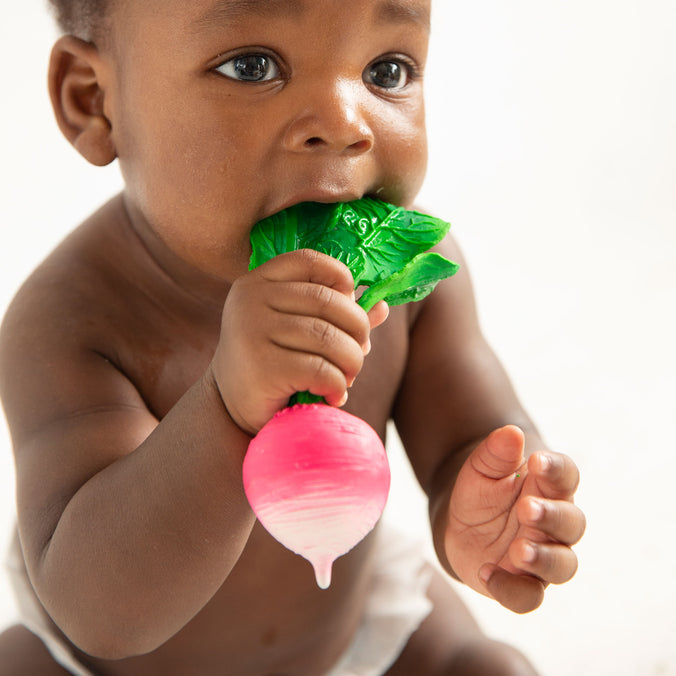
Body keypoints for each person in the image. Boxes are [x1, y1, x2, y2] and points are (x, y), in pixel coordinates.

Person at [0, 1, 586, 674]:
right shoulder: (74, 321)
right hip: (106, 667)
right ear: (95, 100)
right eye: (252, 67)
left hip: (352, 631)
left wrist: (498, 505)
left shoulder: (410, 279)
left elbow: (470, 439)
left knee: (491, 669)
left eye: (386, 70)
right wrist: (228, 402)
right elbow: (102, 610)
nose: (344, 123)